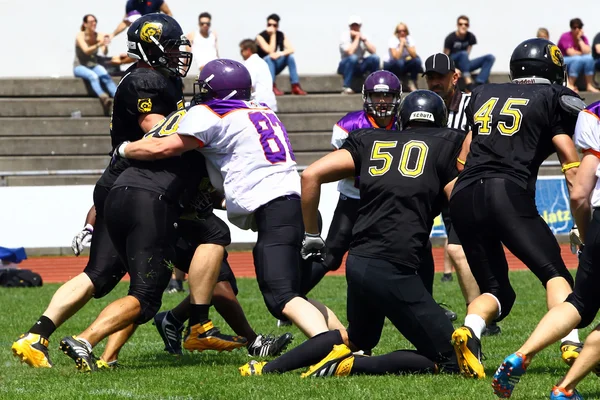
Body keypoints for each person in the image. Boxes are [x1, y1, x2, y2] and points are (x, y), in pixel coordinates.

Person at [114, 58, 344, 348]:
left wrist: (123, 148)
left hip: (275, 210)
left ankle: (327, 347)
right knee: (293, 291)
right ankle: (344, 339)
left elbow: (163, 146)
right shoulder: (261, 109)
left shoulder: (209, 113)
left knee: (281, 297)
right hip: (294, 203)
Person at [238, 90, 463, 377]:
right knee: (453, 359)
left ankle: (266, 369)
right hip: (395, 265)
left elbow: (310, 175)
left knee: (357, 339)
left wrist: (312, 234)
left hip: (359, 261)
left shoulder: (370, 139)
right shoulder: (448, 144)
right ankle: (354, 365)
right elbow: (459, 201)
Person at [10, 13, 191, 369]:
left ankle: (36, 335)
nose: (177, 55)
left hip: (122, 183)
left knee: (99, 273)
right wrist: (211, 118)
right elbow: (156, 129)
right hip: (138, 184)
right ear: (149, 48)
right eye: (169, 48)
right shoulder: (144, 79)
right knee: (145, 289)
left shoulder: (160, 78)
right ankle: (91, 343)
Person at [447, 38, 585, 381]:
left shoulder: (482, 92)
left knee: (498, 292)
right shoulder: (552, 97)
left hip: (465, 194)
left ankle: (470, 330)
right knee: (556, 274)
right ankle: (570, 342)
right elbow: (569, 157)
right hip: (506, 190)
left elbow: (463, 157)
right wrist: (581, 218)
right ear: (551, 70)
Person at [490, 102, 599, 399]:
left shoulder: (595, 113)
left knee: (578, 302)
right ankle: (564, 388)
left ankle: (522, 355)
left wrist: (588, 233)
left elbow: (579, 194)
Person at [422, 53, 500, 336]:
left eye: (440, 77)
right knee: (419, 243)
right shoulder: (423, 105)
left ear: (454, 77)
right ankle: (429, 305)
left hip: (466, 185)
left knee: (458, 248)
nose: (434, 82)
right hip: (435, 187)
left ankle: (480, 313)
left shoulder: (472, 103)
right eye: (430, 77)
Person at [304, 70, 401, 294]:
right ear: (367, 96)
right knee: (332, 254)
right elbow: (338, 167)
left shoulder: (404, 122)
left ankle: (425, 301)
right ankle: (291, 298)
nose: (383, 101)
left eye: (388, 96)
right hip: (354, 199)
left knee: (415, 250)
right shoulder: (349, 124)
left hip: (389, 201)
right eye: (377, 96)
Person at [74, 14, 117, 115]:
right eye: (91, 22)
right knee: (93, 76)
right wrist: (99, 44)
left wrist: (105, 45)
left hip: (93, 65)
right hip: (80, 66)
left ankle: (118, 96)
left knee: (105, 75)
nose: (94, 23)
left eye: (95, 21)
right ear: (85, 24)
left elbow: (105, 52)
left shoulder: (99, 35)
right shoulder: (80, 36)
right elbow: (86, 51)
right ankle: (104, 97)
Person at [255, 14, 307, 96]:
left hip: (274, 66)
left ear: (277, 26)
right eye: (269, 25)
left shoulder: (281, 35)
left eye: (274, 25)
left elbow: (291, 49)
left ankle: (295, 86)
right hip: (264, 67)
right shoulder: (260, 37)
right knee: (269, 58)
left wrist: (280, 53)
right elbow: (270, 51)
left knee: (290, 57)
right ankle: (271, 86)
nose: (272, 27)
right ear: (266, 25)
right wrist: (273, 34)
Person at [443, 15, 495, 91]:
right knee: (463, 54)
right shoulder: (450, 38)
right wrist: (453, 68)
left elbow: (468, 53)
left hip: (464, 63)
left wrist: (464, 65)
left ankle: (479, 83)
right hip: (453, 63)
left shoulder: (470, 37)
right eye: (461, 24)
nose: (463, 26)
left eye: (466, 24)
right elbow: (445, 57)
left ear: (468, 26)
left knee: (490, 57)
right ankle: (468, 82)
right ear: (457, 25)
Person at [338, 16, 380, 94]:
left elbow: (374, 51)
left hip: (359, 64)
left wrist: (364, 40)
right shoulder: (344, 36)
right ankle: (346, 86)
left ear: (360, 26)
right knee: (353, 58)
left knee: (375, 58)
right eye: (353, 25)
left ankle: (374, 85)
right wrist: (357, 37)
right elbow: (350, 52)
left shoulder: (364, 36)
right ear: (350, 27)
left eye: (356, 25)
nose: (354, 27)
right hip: (346, 65)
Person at [557, 18, 599, 93]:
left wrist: (579, 39)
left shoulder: (583, 38)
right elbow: (570, 53)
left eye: (579, 27)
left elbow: (588, 51)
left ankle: (589, 85)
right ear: (571, 28)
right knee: (578, 59)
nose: (577, 29)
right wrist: (581, 52)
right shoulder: (565, 36)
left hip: (576, 59)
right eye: (574, 27)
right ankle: (571, 84)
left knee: (589, 58)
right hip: (563, 60)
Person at [240, 39, 278, 111]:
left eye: (242, 50)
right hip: (269, 102)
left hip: (259, 103)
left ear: (248, 50)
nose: (240, 53)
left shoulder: (251, 63)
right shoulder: (261, 61)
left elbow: (249, 83)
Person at [383, 22, 422, 91]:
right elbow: (396, 57)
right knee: (399, 62)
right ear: (396, 32)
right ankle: (398, 82)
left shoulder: (409, 39)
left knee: (417, 60)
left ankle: (413, 81)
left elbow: (414, 55)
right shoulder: (393, 40)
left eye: (404, 31)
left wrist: (406, 45)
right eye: (399, 31)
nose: (402, 33)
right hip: (391, 64)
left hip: (403, 64)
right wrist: (401, 44)